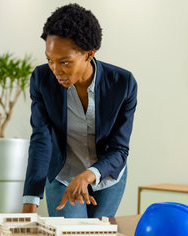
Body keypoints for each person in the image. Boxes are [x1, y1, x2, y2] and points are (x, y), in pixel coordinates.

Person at [22, 4, 137, 218]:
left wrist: (88, 175)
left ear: (89, 54)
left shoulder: (123, 84)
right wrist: (30, 202)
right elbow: (41, 140)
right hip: (63, 174)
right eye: (50, 60)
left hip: (107, 176)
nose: (55, 70)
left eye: (65, 62)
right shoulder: (41, 80)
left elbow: (119, 149)